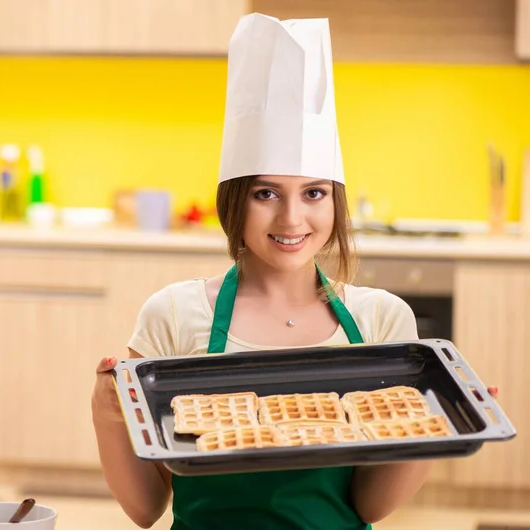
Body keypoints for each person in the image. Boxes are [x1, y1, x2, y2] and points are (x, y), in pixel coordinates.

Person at [91, 12, 498, 530]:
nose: (291, 218)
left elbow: (370, 506)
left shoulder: (381, 320)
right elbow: (146, 509)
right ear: (234, 202)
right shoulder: (173, 313)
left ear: (335, 203)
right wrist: (107, 413)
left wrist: (441, 423)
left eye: (313, 193)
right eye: (266, 194)